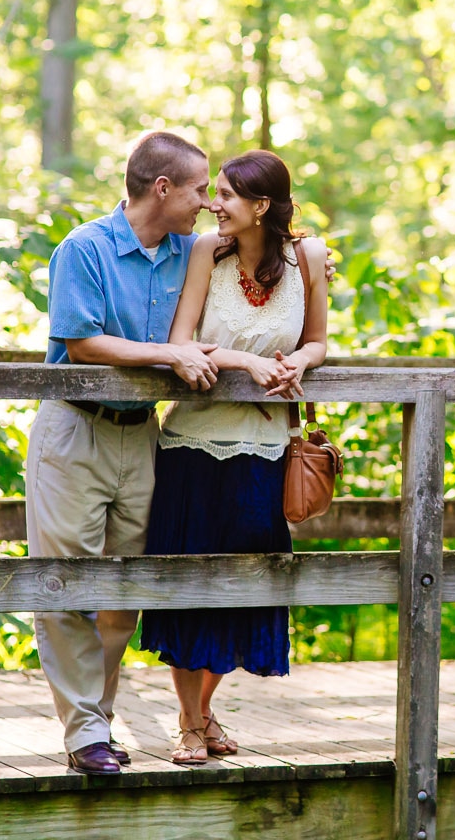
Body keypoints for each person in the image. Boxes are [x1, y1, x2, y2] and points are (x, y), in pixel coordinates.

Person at [27, 130, 220, 776]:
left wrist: (311, 259)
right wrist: (172, 353)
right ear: (162, 189)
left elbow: (253, 251)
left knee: (124, 590)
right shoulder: (84, 249)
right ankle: (85, 734)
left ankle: (97, 721)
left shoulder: (190, 252)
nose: (206, 204)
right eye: (199, 190)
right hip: (73, 432)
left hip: (142, 437)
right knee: (66, 586)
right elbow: (82, 342)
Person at [138, 149, 329, 765]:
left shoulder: (309, 258)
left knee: (244, 587)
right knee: (190, 585)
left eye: (225, 194)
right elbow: (180, 342)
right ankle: (191, 722)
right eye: (212, 192)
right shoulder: (205, 254)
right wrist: (246, 361)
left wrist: (300, 360)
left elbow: (319, 340)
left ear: (262, 206)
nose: (212, 204)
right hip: (192, 448)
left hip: (267, 450)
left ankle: (202, 711)